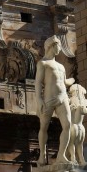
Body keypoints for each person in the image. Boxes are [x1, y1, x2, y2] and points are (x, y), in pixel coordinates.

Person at [36, 36, 74, 165]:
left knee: (68, 125)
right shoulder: (43, 63)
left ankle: (61, 155)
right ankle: (42, 155)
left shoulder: (61, 66)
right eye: (59, 45)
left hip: (63, 97)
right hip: (49, 98)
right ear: (51, 46)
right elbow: (38, 82)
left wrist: (72, 81)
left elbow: (63, 82)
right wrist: (39, 99)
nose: (61, 48)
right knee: (44, 126)